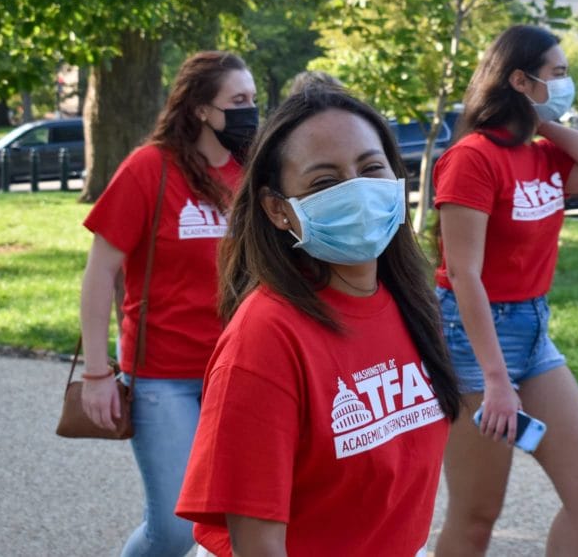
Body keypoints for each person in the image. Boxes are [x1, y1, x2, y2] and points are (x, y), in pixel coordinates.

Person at [175, 86, 461, 556]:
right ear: (277, 208)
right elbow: (259, 546)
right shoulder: (265, 339)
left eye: (371, 169)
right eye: (324, 182)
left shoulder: (410, 301)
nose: (357, 191)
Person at [432, 24, 578, 556]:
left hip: (533, 331)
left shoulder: (543, 155)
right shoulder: (472, 158)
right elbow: (464, 273)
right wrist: (497, 381)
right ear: (519, 79)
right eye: (558, 74)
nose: (566, 84)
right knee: (477, 516)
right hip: (473, 340)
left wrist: (542, 122)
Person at [78, 51, 258, 557]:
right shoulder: (149, 169)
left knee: (235, 522)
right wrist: (96, 373)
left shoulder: (253, 173)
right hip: (163, 377)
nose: (250, 112)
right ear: (201, 108)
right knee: (177, 529)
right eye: (237, 101)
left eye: (254, 100)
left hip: (240, 372)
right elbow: (99, 275)